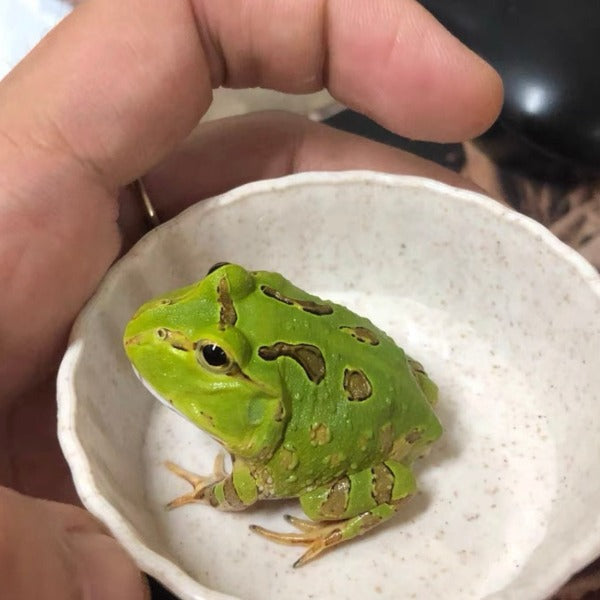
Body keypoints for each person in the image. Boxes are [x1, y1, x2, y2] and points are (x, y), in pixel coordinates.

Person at [0, 1, 502, 598]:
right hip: (402, 383)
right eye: (219, 277)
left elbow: (245, 490)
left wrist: (215, 490)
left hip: (384, 439)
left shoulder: (265, 448)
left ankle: (345, 513)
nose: (169, 325)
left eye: (212, 354)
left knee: (318, 499)